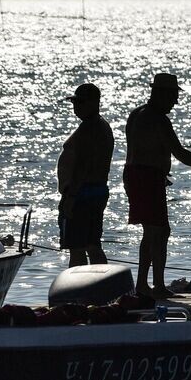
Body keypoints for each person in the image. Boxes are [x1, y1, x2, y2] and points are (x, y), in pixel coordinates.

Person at [124, 73, 191, 299]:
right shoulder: (158, 118)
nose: (175, 102)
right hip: (146, 177)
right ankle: (153, 286)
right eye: (172, 97)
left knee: (154, 231)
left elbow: (142, 150)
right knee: (156, 231)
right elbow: (179, 152)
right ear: (160, 94)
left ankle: (146, 283)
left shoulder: (136, 114)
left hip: (136, 174)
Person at [57, 83, 114, 267]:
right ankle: (104, 289)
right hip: (94, 192)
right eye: (75, 102)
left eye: (81, 102)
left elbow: (83, 165)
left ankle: (78, 291)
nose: (76, 106)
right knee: (92, 245)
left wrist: (71, 196)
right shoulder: (99, 126)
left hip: (82, 194)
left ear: (94, 103)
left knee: (77, 248)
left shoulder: (91, 128)